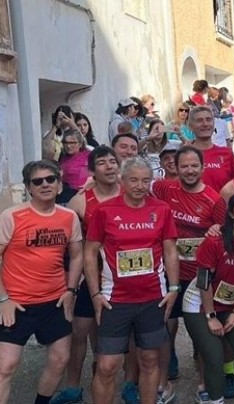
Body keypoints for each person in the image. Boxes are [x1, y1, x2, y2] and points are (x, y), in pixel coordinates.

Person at [0, 160, 83, 404]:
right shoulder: (12, 216)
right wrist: (2, 299)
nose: (45, 185)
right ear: (29, 187)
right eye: (38, 181)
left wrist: (71, 290)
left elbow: (78, 254)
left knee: (60, 360)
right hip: (17, 304)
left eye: (51, 179)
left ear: (59, 184)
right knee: (5, 367)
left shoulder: (69, 216)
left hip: (55, 301)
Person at [84, 157, 180, 404]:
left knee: (149, 360)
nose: (139, 185)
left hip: (152, 298)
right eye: (134, 180)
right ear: (122, 180)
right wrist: (94, 294)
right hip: (115, 300)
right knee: (106, 366)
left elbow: (170, 250)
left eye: (145, 180)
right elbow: (89, 252)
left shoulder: (161, 209)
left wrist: (174, 288)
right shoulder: (104, 211)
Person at [151, 147, 226, 400]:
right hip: (169, 275)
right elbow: (131, 182)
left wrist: (217, 228)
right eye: (184, 166)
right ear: (176, 167)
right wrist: (91, 181)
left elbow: (225, 233)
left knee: (202, 334)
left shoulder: (214, 199)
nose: (190, 170)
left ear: (202, 168)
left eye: (195, 166)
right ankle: (163, 384)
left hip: (199, 279)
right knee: (164, 331)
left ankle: (204, 384)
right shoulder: (164, 189)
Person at [52, 148, 123, 404]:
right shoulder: (81, 201)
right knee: (79, 332)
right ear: (92, 170)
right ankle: (72, 387)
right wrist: (71, 277)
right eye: (101, 163)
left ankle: (115, 382)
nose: (108, 167)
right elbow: (68, 243)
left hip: (121, 277)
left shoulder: (130, 194)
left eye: (113, 162)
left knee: (114, 334)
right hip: (88, 276)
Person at [184, 192, 234, 404]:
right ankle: (216, 401)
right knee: (214, 357)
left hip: (230, 303)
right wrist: (211, 316)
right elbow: (203, 279)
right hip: (200, 303)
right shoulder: (216, 240)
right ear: (231, 213)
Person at [187, 106, 234, 193]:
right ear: (191, 126)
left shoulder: (227, 153)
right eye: (199, 120)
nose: (205, 124)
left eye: (208, 120)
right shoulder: (184, 156)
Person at [58, 130, 92, 205]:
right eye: (65, 143)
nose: (68, 146)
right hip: (66, 196)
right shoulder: (63, 157)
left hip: (85, 196)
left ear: (80, 144)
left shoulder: (89, 156)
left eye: (72, 143)